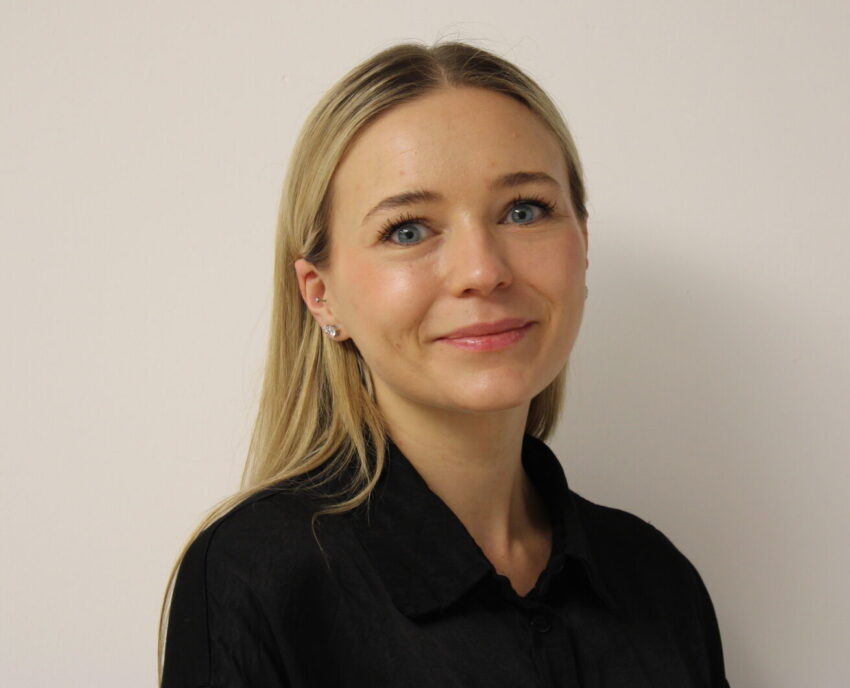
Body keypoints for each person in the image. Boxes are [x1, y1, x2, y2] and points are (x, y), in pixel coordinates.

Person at [159, 41, 730, 687]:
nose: (483, 271)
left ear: (584, 243)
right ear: (321, 295)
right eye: (408, 229)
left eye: (524, 211)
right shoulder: (259, 578)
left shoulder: (658, 580)